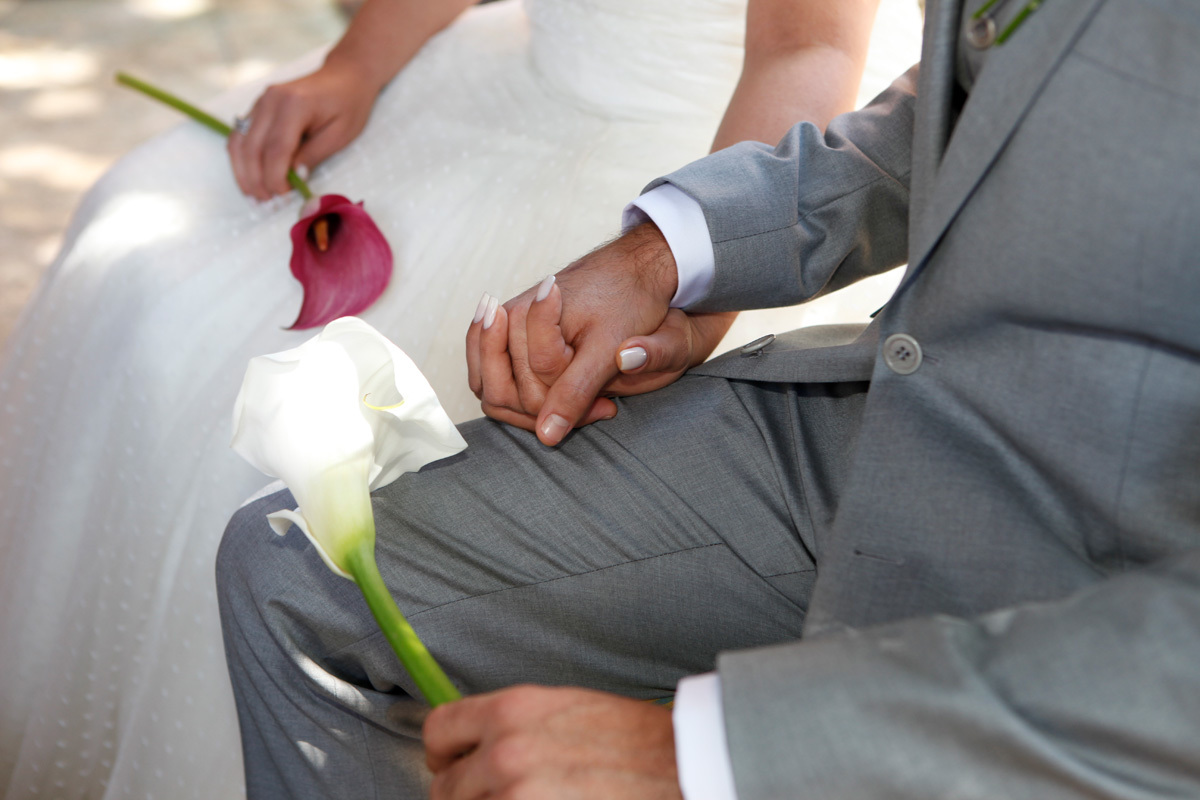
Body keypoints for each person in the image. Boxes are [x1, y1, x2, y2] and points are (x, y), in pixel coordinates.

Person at [217, 0, 1200, 797]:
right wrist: (674, 255)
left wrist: (707, 756)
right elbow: (964, 106)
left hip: (1110, 571)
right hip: (887, 415)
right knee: (290, 571)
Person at [0, 0, 925, 797]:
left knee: (345, 415)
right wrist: (354, 65)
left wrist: (695, 298)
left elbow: (802, 51)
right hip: (516, 84)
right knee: (147, 269)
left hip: (715, 145)